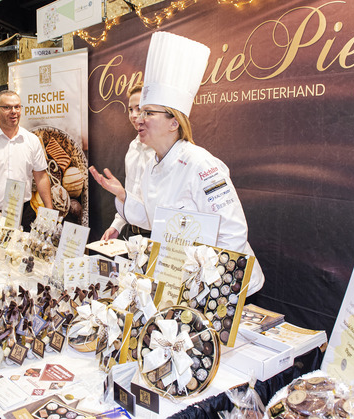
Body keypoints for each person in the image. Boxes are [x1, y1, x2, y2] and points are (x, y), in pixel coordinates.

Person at [89, 32, 264, 295]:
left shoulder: (201, 165)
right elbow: (152, 220)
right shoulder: (152, 165)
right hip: (184, 283)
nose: (139, 119)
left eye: (149, 113)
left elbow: (233, 233)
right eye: (140, 112)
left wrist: (212, 289)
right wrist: (123, 195)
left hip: (227, 287)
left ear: (174, 123)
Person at [0, 89, 52, 230]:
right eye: (7, 107)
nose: (14, 111)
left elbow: (41, 176)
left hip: (25, 213)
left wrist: (49, 210)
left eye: (17, 107)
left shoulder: (32, 140)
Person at [101, 83, 155, 241]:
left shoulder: (164, 152)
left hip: (157, 236)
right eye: (130, 110)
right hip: (132, 234)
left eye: (139, 109)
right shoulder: (133, 147)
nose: (133, 115)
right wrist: (117, 225)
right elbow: (130, 194)